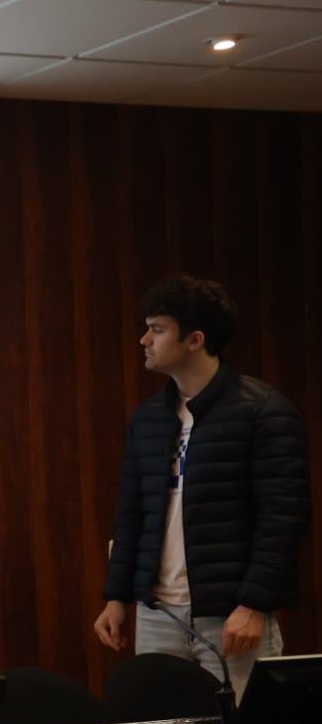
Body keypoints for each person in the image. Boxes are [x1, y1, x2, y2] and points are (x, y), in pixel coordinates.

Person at [94, 274, 309, 698]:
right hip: (159, 614)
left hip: (232, 616)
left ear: (194, 340)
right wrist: (116, 597)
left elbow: (283, 519)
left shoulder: (264, 412)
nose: (144, 340)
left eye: (157, 330)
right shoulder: (148, 419)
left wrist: (254, 605)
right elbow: (132, 514)